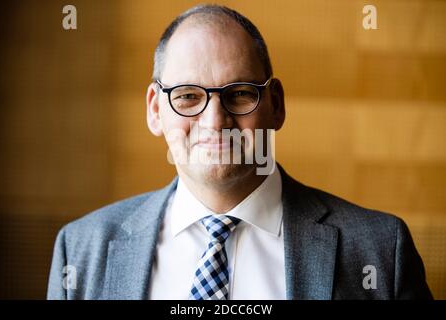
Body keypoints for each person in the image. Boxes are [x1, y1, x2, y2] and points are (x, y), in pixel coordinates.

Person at [47, 4, 432, 300]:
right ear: (154, 110)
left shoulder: (380, 249)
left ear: (276, 104)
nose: (214, 122)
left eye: (240, 94)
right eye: (187, 97)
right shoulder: (80, 250)